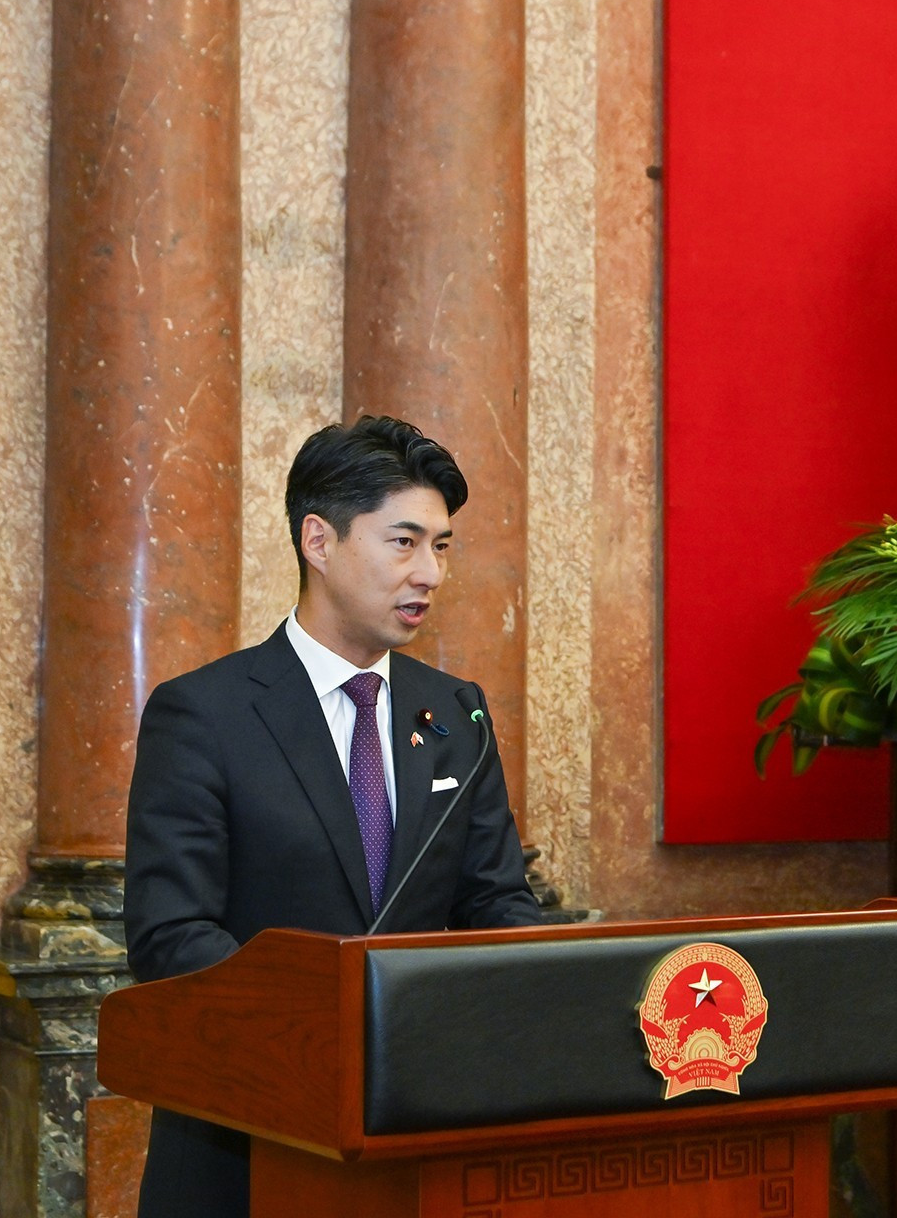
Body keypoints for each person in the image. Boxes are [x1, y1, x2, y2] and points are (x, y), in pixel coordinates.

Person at [124, 415, 543, 1218]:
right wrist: (339, 1035)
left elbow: (498, 904)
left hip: (418, 1146)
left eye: (442, 547)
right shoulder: (203, 714)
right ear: (319, 541)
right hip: (245, 1146)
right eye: (404, 542)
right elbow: (172, 936)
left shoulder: (456, 714)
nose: (430, 573)